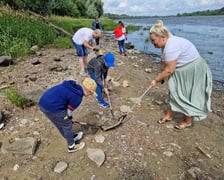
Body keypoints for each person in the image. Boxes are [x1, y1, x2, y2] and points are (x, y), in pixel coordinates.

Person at [149, 20, 212, 130]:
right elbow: (168, 65)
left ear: (163, 37)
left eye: (154, 40)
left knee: (186, 94)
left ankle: (187, 121)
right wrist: (163, 77)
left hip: (192, 69)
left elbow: (169, 70)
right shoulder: (166, 44)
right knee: (173, 91)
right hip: (180, 69)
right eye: (151, 41)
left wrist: (156, 80)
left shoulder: (171, 46)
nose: (153, 43)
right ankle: (169, 116)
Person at [38, 77, 97, 152]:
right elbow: (69, 111)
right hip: (53, 107)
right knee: (66, 125)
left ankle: (70, 137)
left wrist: (68, 118)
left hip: (43, 102)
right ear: (88, 91)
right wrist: (69, 118)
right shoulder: (78, 97)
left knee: (60, 122)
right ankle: (71, 146)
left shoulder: (74, 87)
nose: (91, 95)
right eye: (91, 93)